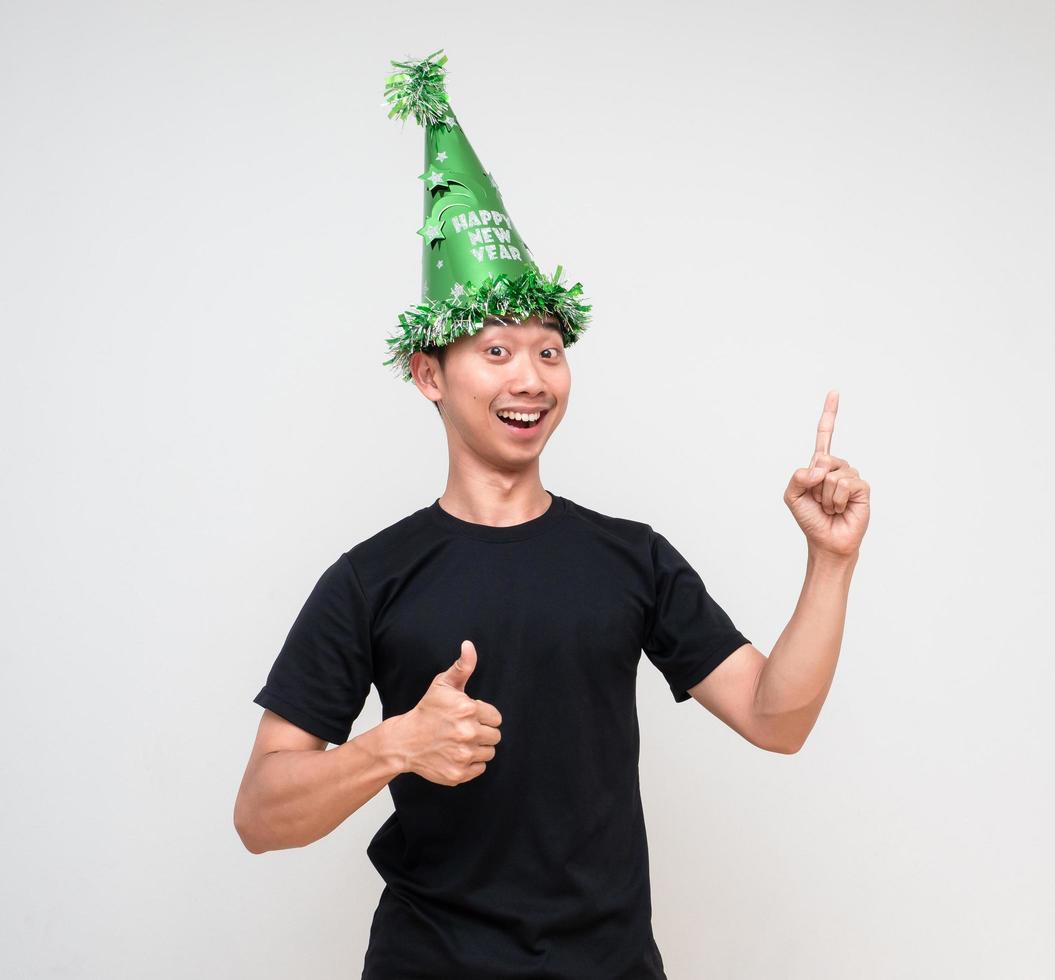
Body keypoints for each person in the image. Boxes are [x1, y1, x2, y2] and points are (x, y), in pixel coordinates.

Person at [233, 50, 870, 980]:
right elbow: (260, 814)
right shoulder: (370, 578)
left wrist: (830, 563)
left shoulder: (630, 559)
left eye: (548, 350)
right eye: (495, 350)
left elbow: (777, 719)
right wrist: (394, 744)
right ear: (428, 375)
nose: (529, 377)